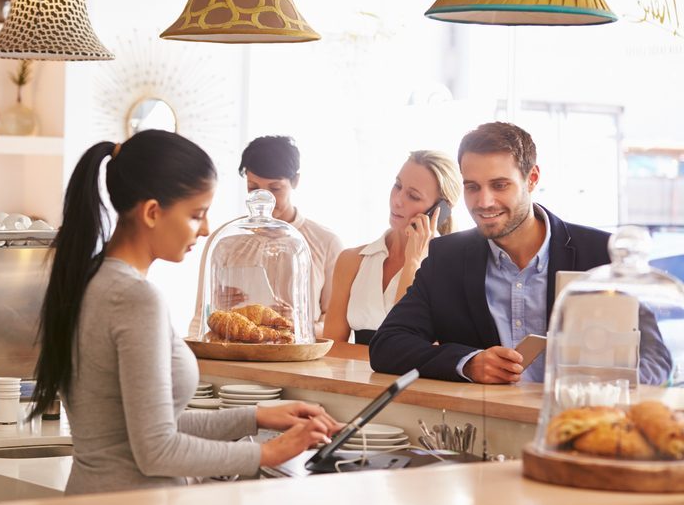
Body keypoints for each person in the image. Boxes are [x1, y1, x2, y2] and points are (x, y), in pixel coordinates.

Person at [30, 130, 340, 495]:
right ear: (151, 212)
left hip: (99, 504)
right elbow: (157, 449)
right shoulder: (135, 298)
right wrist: (267, 453)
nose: (206, 229)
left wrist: (254, 417)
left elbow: (143, 428)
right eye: (196, 214)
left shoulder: (91, 280)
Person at [369, 122, 672, 385]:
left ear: (532, 179)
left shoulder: (600, 255)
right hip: (490, 429)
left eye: (500, 185)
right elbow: (387, 345)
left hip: (584, 426)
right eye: (472, 187)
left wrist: (599, 393)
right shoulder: (447, 257)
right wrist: (469, 363)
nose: (484, 201)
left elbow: (656, 360)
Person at [188, 135, 343, 337]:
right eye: (253, 187)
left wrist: (298, 323)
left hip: (298, 360)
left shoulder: (326, 242)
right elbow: (200, 317)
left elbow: (336, 327)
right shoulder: (225, 240)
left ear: (295, 181)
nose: (263, 196)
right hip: (234, 357)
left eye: (275, 188)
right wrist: (215, 306)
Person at [323, 150, 461, 351]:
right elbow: (331, 349)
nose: (397, 200)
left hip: (411, 381)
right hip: (353, 381)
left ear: (440, 210)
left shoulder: (451, 270)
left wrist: (414, 261)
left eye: (413, 196)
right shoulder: (352, 260)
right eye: (397, 185)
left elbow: (406, 340)